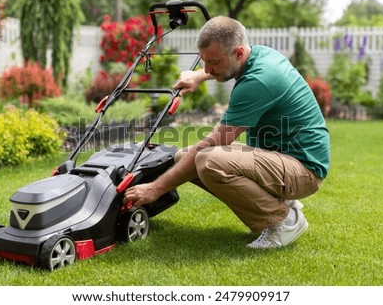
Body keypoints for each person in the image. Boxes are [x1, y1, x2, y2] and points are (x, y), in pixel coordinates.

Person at [124, 16, 330, 249]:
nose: (208, 69)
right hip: (279, 157)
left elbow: (211, 143)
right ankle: (280, 203)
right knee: (184, 157)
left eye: (213, 62)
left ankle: (284, 221)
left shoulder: (258, 81)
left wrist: (155, 189)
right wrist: (198, 76)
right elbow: (224, 67)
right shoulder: (258, 54)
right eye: (204, 62)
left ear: (239, 53)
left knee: (209, 160)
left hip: (304, 168)